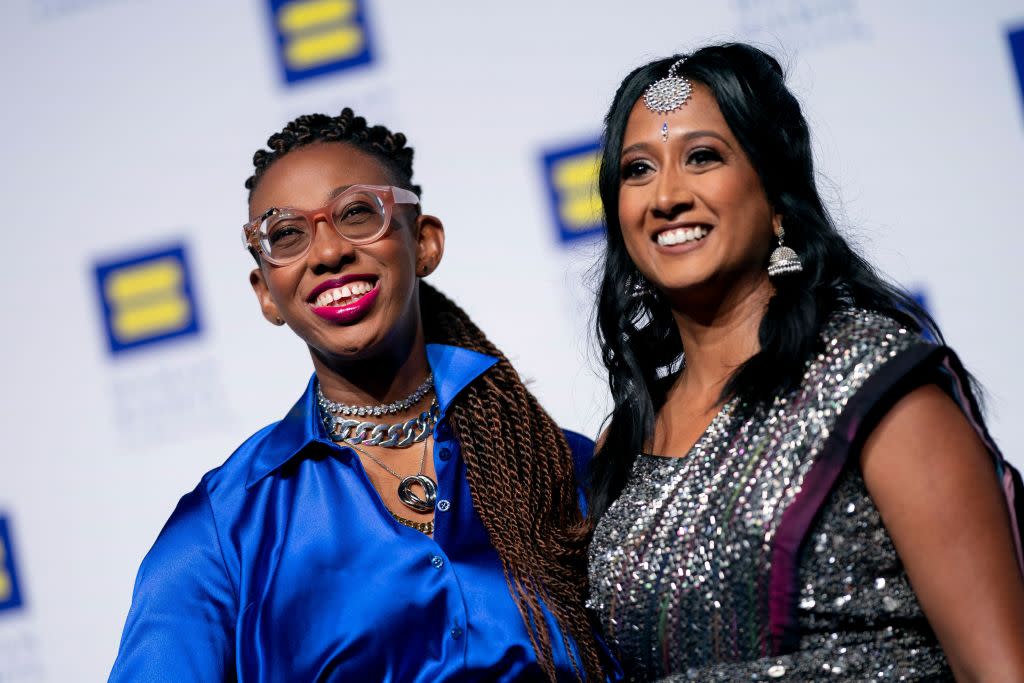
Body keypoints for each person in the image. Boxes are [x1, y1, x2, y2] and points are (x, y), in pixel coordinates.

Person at [109, 109, 608, 681]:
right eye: (287, 234)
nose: (326, 253)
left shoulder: (561, 465)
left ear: (423, 242)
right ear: (266, 294)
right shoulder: (221, 534)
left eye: (355, 213)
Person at [585, 43, 1024, 681]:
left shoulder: (872, 385)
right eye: (637, 170)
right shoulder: (622, 444)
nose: (667, 196)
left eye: (703, 157)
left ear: (777, 197)